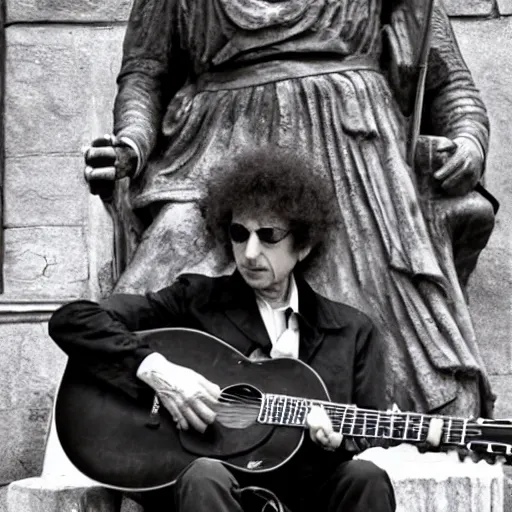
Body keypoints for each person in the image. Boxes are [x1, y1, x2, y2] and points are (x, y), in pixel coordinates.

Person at [84, 0, 495, 418]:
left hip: (357, 157)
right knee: (154, 277)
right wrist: (131, 143)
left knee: (405, 356)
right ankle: (126, 424)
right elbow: (145, 74)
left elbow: (449, 81)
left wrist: (468, 143)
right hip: (215, 149)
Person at [50, 148, 396, 512]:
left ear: (304, 244)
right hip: (212, 493)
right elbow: (73, 320)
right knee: (205, 475)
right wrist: (158, 371)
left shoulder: (353, 331)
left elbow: (366, 436)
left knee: (366, 477)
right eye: (238, 233)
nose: (248, 252)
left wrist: (339, 441)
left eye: (268, 235)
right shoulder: (195, 302)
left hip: (307, 496)